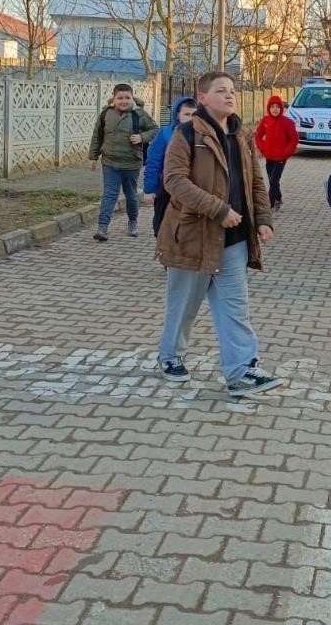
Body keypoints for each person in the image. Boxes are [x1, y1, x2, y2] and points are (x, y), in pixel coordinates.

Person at [155, 71, 283, 396]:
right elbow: (174, 181)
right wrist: (218, 209)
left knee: (235, 308)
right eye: (221, 91)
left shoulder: (241, 136)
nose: (230, 95)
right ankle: (170, 356)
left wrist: (264, 219)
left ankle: (241, 371)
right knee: (184, 305)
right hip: (193, 236)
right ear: (203, 98)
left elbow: (256, 182)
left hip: (234, 241)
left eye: (233, 90)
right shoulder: (186, 135)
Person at [89, 84, 159, 240]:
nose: (124, 101)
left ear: (132, 98)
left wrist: (142, 137)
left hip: (131, 163)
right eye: (120, 98)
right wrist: (93, 157)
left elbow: (155, 129)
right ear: (113, 99)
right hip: (110, 162)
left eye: (127, 98)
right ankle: (102, 227)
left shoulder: (139, 114)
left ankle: (133, 222)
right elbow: (97, 136)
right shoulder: (106, 114)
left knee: (131, 195)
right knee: (109, 195)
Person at [144, 96, 197, 237]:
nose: (191, 118)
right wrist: (150, 189)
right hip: (166, 189)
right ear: (178, 115)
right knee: (161, 228)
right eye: (187, 114)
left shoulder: (202, 136)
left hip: (193, 190)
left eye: (194, 114)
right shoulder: (166, 133)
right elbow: (154, 162)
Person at [254, 95, 299, 212]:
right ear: (269, 108)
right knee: (272, 180)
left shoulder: (287, 123)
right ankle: (278, 198)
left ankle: (270, 205)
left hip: (281, 158)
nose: (275, 109)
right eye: (272, 107)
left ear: (282, 109)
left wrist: (286, 152)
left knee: (274, 180)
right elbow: (257, 136)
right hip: (269, 156)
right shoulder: (265, 121)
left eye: (277, 107)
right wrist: (262, 148)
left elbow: (294, 139)